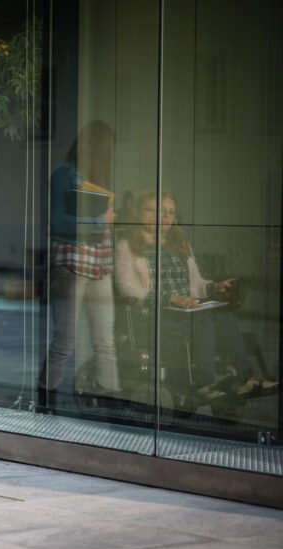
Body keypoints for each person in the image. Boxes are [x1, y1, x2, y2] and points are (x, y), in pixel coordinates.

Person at [114, 191, 275, 399]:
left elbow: (196, 283)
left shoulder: (179, 244)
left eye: (170, 212)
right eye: (154, 210)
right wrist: (170, 298)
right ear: (138, 212)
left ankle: (244, 380)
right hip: (154, 315)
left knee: (223, 315)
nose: (164, 217)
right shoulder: (127, 245)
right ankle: (203, 385)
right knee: (202, 322)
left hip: (186, 309)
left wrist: (213, 288)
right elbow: (126, 287)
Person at [39, 120, 121, 411]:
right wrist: (98, 222)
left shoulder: (104, 181)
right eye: (106, 150)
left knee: (105, 341)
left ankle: (111, 398)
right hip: (72, 264)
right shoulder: (65, 175)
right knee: (66, 340)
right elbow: (57, 221)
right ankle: (46, 398)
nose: (109, 156)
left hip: (100, 265)